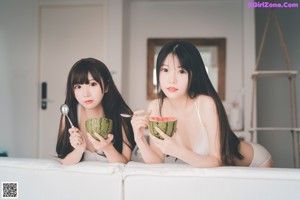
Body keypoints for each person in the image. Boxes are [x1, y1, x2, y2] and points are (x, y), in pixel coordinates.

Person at [131, 40, 272, 168]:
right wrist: (140, 138)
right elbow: (157, 161)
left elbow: (215, 160)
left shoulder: (205, 104)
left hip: (255, 162)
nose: (171, 80)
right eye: (165, 70)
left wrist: (175, 150)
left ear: (193, 74)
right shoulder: (156, 107)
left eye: (181, 71)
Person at [56, 58, 135, 165]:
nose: (85, 94)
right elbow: (64, 161)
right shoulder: (70, 115)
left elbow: (126, 162)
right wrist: (79, 150)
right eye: (78, 87)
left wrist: (107, 148)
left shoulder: (121, 115)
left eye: (93, 84)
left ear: (106, 87)